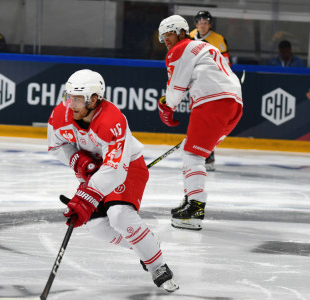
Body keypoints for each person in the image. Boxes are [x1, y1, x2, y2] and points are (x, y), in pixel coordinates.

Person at [47, 69, 179, 292]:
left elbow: (115, 170)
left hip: (127, 167)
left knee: (119, 215)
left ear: (94, 99)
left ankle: (157, 265)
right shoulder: (61, 115)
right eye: (69, 97)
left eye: (78, 98)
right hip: (96, 171)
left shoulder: (112, 120)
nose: (72, 103)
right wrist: (78, 161)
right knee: (98, 228)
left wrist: (86, 197)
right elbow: (56, 146)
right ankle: (146, 244)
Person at [157, 15, 243, 230]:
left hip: (213, 101)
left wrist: (166, 108)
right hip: (234, 104)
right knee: (193, 151)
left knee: (192, 155)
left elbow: (175, 92)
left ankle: (195, 207)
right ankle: (190, 200)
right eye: (163, 36)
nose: (166, 39)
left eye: (169, 33)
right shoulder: (204, 46)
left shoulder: (179, 50)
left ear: (181, 32)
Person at [189, 10, 231, 171]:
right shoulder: (189, 36)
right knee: (198, 118)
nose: (203, 25)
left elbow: (225, 64)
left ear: (210, 24)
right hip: (195, 85)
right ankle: (199, 151)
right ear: (196, 23)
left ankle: (208, 152)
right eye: (200, 22)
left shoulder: (218, 40)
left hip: (213, 86)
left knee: (210, 120)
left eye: (206, 22)